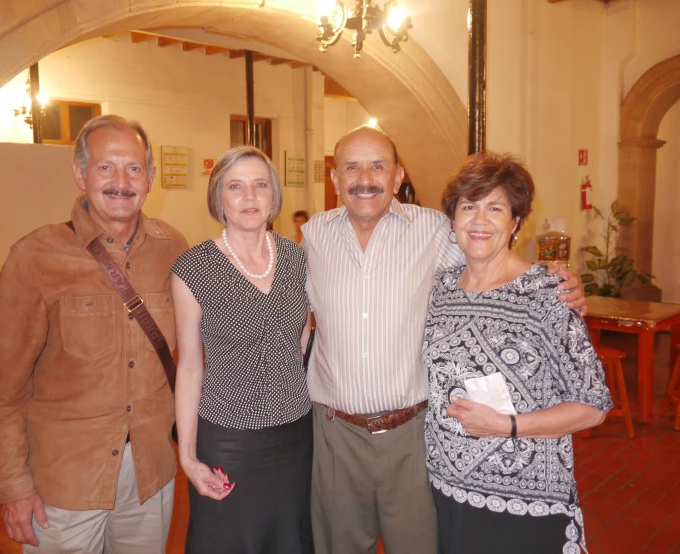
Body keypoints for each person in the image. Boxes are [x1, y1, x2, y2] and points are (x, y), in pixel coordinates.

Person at [301, 126, 587, 554]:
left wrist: (553, 285)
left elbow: (490, 260)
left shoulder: (436, 230)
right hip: (334, 434)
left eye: (378, 166)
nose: (365, 178)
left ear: (398, 176)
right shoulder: (312, 237)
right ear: (335, 178)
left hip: (413, 434)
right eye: (351, 167)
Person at [0, 115, 187, 553]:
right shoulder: (35, 257)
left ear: (150, 178)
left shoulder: (174, 248)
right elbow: (3, 395)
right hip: (64, 484)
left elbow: (193, 354)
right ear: (80, 174)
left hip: (150, 475)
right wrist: (15, 487)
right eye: (105, 167)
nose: (120, 181)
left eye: (133, 168)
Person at [424, 151, 612, 553]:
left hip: (524, 504)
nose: (479, 220)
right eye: (468, 207)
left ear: (515, 222)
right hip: (445, 491)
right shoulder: (439, 288)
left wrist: (507, 425)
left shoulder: (546, 294)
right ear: (452, 218)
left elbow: (594, 405)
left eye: (495, 208)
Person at [171, 145, 314, 553]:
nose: (249, 198)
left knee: (290, 537)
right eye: (236, 187)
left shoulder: (297, 259)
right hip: (229, 438)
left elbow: (300, 341)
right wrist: (188, 457)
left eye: (259, 186)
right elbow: (189, 368)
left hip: (295, 435)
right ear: (219, 197)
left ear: (274, 196)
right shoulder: (193, 270)